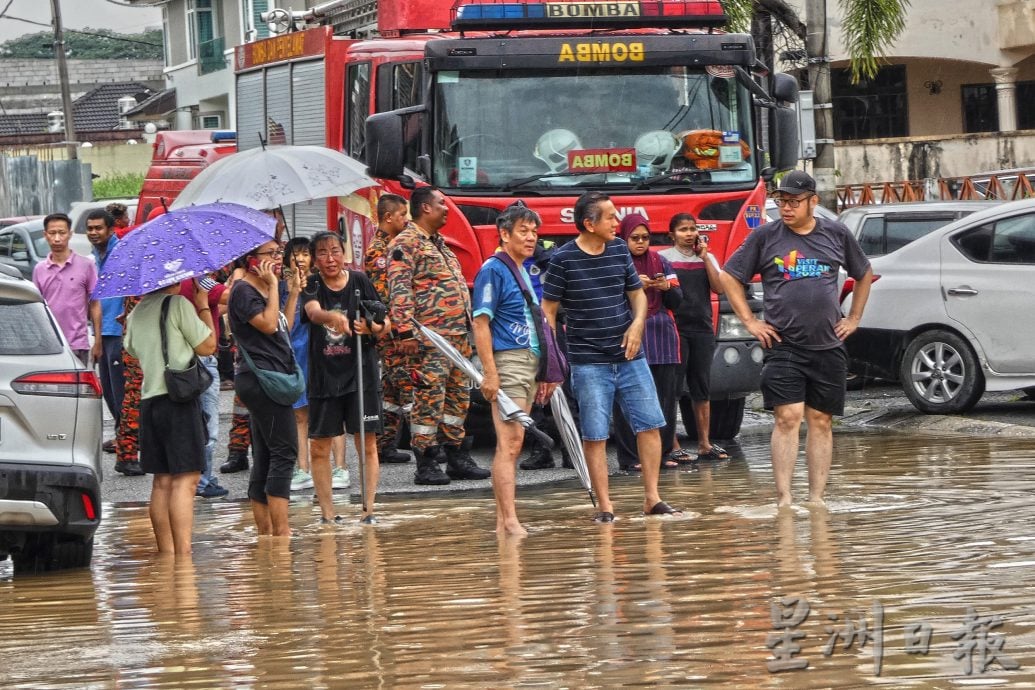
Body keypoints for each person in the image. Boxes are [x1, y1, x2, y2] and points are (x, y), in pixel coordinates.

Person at [719, 171, 873, 507]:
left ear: (813, 202)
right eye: (781, 201)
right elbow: (728, 276)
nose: (786, 208)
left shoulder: (836, 233)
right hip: (783, 344)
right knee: (787, 416)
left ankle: (816, 498)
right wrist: (750, 321)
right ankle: (785, 498)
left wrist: (854, 318)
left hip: (828, 345)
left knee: (820, 420)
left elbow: (864, 274)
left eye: (793, 201)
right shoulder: (765, 236)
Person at [542, 192, 681, 521]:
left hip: (631, 356)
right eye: (610, 218)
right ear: (589, 224)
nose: (616, 224)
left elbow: (636, 294)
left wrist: (636, 326)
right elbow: (548, 310)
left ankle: (652, 498)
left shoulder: (619, 250)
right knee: (595, 433)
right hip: (588, 360)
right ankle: (605, 506)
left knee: (650, 425)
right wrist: (552, 356)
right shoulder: (562, 260)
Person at [386, 187, 490, 485]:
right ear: (425, 208)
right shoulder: (405, 244)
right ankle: (427, 462)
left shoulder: (439, 243)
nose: (447, 208)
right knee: (428, 400)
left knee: (457, 401)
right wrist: (404, 331)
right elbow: (400, 289)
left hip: (456, 338)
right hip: (428, 339)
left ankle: (458, 457)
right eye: (442, 203)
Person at [472, 203, 559, 536]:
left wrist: (544, 370)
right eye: (523, 231)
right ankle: (509, 521)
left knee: (515, 441)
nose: (531, 238)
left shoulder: (522, 267)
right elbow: (480, 323)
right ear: (503, 234)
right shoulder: (493, 269)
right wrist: (490, 374)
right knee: (509, 443)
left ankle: (503, 523)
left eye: (534, 232)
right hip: (509, 361)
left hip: (528, 362)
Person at [124, 281, 216, 554]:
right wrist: (202, 305)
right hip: (178, 401)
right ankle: (184, 557)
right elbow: (208, 346)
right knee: (186, 481)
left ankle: (166, 556)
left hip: (150, 401)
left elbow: (131, 349)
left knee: (162, 482)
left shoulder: (136, 311)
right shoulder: (178, 305)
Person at [302, 231, 388, 524]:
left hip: (360, 376)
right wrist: (333, 318)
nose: (330, 258)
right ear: (314, 259)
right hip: (324, 377)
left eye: (335, 251)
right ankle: (328, 514)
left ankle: (368, 509)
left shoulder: (360, 281)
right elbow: (312, 312)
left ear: (344, 253)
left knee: (367, 443)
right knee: (320, 446)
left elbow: (383, 321)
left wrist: (372, 328)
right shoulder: (312, 283)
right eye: (323, 253)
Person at [228, 240, 299, 537]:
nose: (277, 259)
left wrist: (293, 291)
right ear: (250, 259)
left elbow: (284, 326)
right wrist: (273, 285)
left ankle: (266, 534)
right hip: (262, 379)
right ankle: (281, 533)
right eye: (270, 254)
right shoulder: (243, 290)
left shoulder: (260, 289)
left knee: (267, 455)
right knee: (285, 453)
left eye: (278, 253)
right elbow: (268, 325)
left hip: (269, 376)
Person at [613, 213, 683, 472]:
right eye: (634, 238)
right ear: (624, 238)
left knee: (664, 399)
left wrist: (667, 287)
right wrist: (631, 286)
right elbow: (609, 299)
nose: (640, 243)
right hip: (630, 338)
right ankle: (630, 457)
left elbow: (678, 300)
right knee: (627, 400)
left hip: (662, 340)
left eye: (645, 238)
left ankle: (663, 454)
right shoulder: (618, 263)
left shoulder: (660, 261)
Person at [659, 213, 730, 463]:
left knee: (701, 386)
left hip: (702, 328)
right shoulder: (663, 259)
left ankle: (704, 443)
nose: (688, 234)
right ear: (672, 234)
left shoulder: (707, 257)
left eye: (692, 229)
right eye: (683, 230)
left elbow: (719, 288)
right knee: (674, 388)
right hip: (675, 328)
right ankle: (673, 443)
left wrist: (705, 258)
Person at [364, 193, 414, 465]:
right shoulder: (379, 252)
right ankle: (426, 447)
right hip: (391, 332)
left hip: (394, 328)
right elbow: (386, 297)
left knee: (393, 391)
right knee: (408, 385)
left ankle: (385, 444)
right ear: (388, 217)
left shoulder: (392, 245)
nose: (406, 221)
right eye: (403, 215)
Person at [180, 276, 230, 499]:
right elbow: (229, 296)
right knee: (207, 423)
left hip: (178, 360)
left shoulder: (166, 283)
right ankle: (202, 480)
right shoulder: (199, 280)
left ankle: (194, 479)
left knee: (189, 422)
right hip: (202, 359)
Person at [33, 213, 102, 366]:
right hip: (49, 346)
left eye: (62, 233)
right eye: (52, 233)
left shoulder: (86, 266)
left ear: (70, 234)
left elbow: (95, 305)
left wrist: (98, 341)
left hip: (78, 344)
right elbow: (37, 307)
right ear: (45, 235)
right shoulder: (39, 269)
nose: (57, 238)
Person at [85, 209, 125, 456]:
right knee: (108, 390)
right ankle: (124, 434)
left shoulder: (122, 253)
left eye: (98, 228)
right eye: (90, 228)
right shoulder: (92, 257)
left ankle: (129, 437)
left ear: (110, 229)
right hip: (102, 331)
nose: (93, 232)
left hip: (119, 329)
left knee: (121, 389)